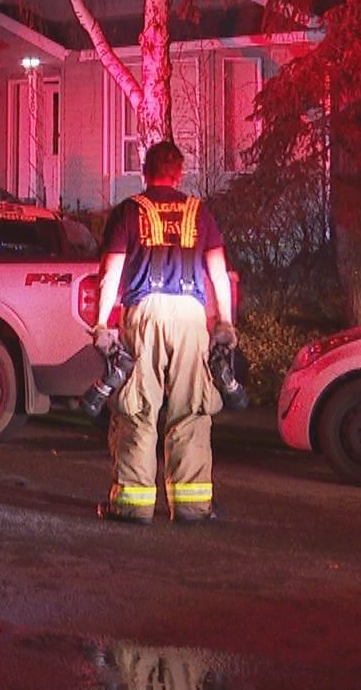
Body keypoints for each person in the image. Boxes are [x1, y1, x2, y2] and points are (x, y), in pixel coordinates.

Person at [90, 139, 236, 525]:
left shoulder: (129, 211)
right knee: (191, 407)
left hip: (145, 312)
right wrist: (225, 323)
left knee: (138, 404)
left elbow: (111, 273)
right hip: (191, 313)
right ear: (180, 172)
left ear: (145, 172)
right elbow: (218, 272)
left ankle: (133, 504)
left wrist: (103, 324)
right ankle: (191, 506)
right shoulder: (199, 212)